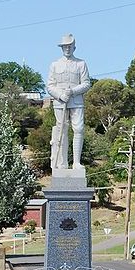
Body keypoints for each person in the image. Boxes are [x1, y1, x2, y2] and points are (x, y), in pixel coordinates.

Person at [47, 33, 90, 170]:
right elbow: (50, 86)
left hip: (76, 102)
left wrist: (72, 91)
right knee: (62, 130)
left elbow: (86, 84)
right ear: (61, 48)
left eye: (70, 46)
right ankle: (62, 163)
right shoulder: (54, 65)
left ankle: (76, 162)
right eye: (65, 46)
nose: (67, 49)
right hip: (60, 103)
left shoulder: (81, 64)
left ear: (74, 47)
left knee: (78, 129)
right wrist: (60, 95)